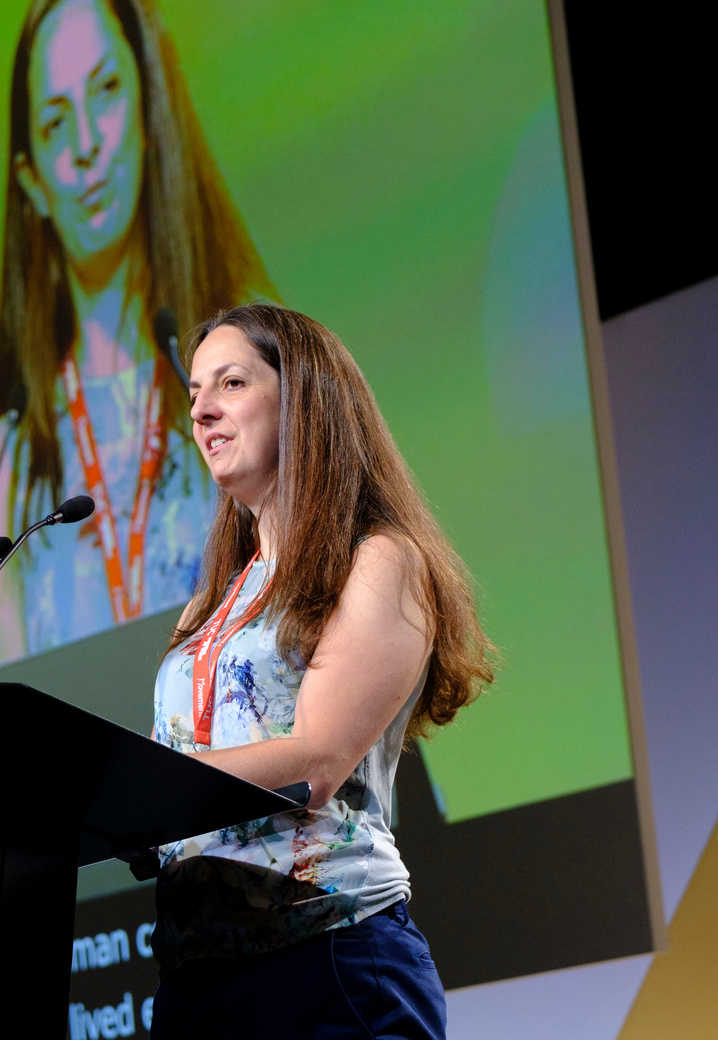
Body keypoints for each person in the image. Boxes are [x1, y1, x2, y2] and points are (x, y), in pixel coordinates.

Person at [148, 304, 496, 1039]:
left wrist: (142, 792)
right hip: (197, 976)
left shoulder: (378, 561)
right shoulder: (207, 605)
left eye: (231, 383)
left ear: (303, 397)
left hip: (327, 958)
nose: (202, 410)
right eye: (193, 395)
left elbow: (318, 758)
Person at [0, 0, 272, 667]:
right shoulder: (8, 465)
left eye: (105, 92)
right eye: (53, 122)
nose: (85, 144)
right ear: (33, 181)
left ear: (145, 111)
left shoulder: (254, 384)